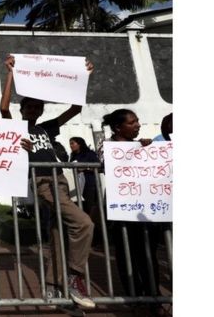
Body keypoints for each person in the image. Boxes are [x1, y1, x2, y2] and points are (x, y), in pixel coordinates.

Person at [1, 55, 96, 310]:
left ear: (41, 110)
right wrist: (10, 73)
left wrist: (83, 77)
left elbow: (75, 109)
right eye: (28, 107)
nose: (32, 110)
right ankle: (76, 278)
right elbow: (3, 109)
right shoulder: (17, 130)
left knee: (58, 236)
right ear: (22, 110)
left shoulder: (46, 128)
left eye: (36, 107)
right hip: (44, 183)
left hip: (60, 181)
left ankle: (55, 288)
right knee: (84, 223)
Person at [98, 109, 161, 301]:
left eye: (137, 121)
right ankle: (134, 294)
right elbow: (104, 164)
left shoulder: (142, 146)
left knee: (148, 252)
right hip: (122, 207)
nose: (138, 125)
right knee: (126, 252)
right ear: (118, 127)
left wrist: (146, 149)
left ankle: (154, 295)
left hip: (144, 207)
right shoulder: (107, 146)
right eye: (132, 122)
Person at [68, 136, 102, 245]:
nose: (71, 146)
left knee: (90, 210)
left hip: (90, 184)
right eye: (70, 143)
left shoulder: (89, 154)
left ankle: (96, 238)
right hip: (77, 185)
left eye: (73, 143)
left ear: (79, 144)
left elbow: (99, 167)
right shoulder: (73, 156)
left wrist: (85, 168)